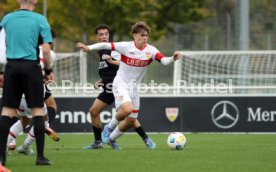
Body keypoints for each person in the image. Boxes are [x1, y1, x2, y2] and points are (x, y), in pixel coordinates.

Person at [77, 21, 181, 150]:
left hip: (134, 88)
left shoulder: (151, 50)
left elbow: (164, 61)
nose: (144, 38)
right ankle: (107, 130)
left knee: (131, 120)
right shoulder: (125, 47)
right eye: (142, 35)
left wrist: (173, 58)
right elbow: (105, 44)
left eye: (146, 35)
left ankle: (111, 138)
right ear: (134, 35)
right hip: (120, 83)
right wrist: (89, 47)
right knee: (127, 109)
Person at [0, 0, 53, 167]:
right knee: (37, 110)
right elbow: (45, 50)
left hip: (12, 66)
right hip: (31, 67)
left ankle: (1, 158)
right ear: (35, 1)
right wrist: (48, 70)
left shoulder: (7, 19)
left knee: (7, 110)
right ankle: (40, 157)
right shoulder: (40, 19)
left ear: (17, 0)